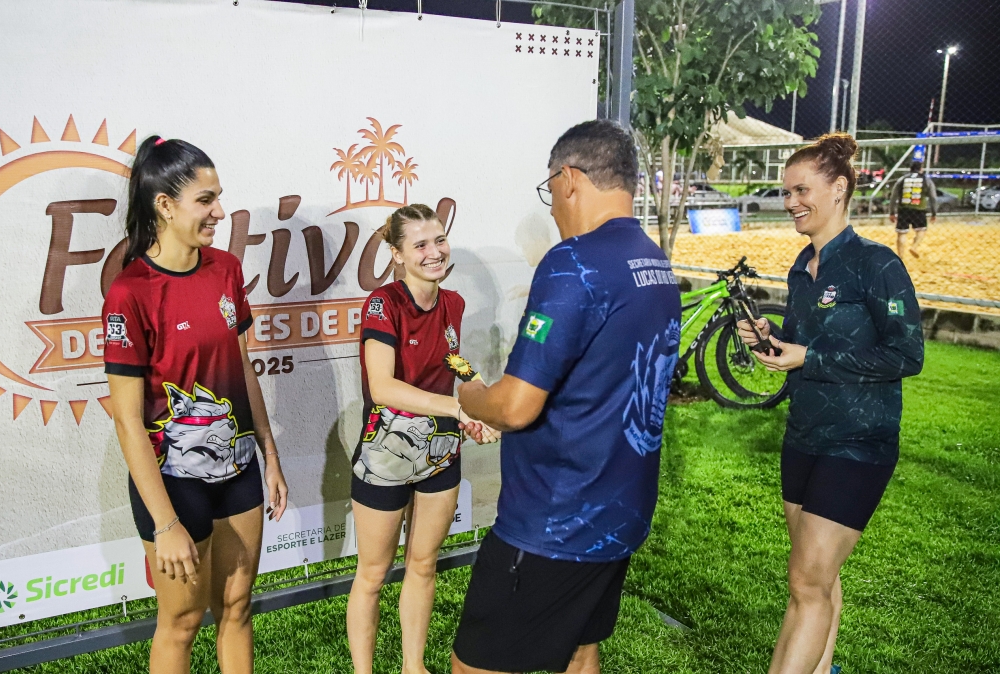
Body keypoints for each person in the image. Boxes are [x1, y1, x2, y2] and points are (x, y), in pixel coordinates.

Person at [450, 120, 682, 674]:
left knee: (473, 666)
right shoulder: (654, 262)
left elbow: (514, 406)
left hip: (554, 521)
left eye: (549, 188)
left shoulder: (572, 262)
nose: (552, 206)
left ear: (570, 179)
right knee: (581, 651)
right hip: (621, 510)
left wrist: (471, 395)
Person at [738, 134, 923, 674]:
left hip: (858, 443)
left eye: (801, 190)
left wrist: (810, 357)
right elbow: (804, 344)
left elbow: (906, 354)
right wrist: (773, 339)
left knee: (806, 582)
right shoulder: (802, 267)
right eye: (786, 192)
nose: (790, 202)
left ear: (839, 188)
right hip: (804, 437)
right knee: (818, 576)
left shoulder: (876, 264)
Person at [103, 136, 289, 674]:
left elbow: (242, 367)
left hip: (239, 469)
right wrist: (165, 524)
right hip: (173, 484)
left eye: (218, 197)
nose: (219, 212)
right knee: (182, 623)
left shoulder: (226, 269)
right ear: (164, 204)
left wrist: (269, 455)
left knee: (236, 607)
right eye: (206, 200)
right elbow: (128, 422)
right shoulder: (130, 293)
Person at [346, 204, 499, 674]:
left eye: (439, 240)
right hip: (385, 454)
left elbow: (454, 360)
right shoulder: (383, 304)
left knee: (423, 563)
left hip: (440, 452)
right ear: (397, 254)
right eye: (420, 245)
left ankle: (414, 667)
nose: (434, 252)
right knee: (373, 574)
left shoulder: (453, 303)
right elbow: (383, 387)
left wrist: (480, 401)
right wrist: (457, 408)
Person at [888, 160, 938, 258]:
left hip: (904, 209)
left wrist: (892, 212)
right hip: (919, 209)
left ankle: (900, 256)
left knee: (901, 233)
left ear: (910, 169)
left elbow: (893, 196)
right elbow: (933, 197)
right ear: (921, 169)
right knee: (921, 230)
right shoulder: (926, 180)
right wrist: (934, 213)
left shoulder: (902, 179)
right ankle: (914, 246)